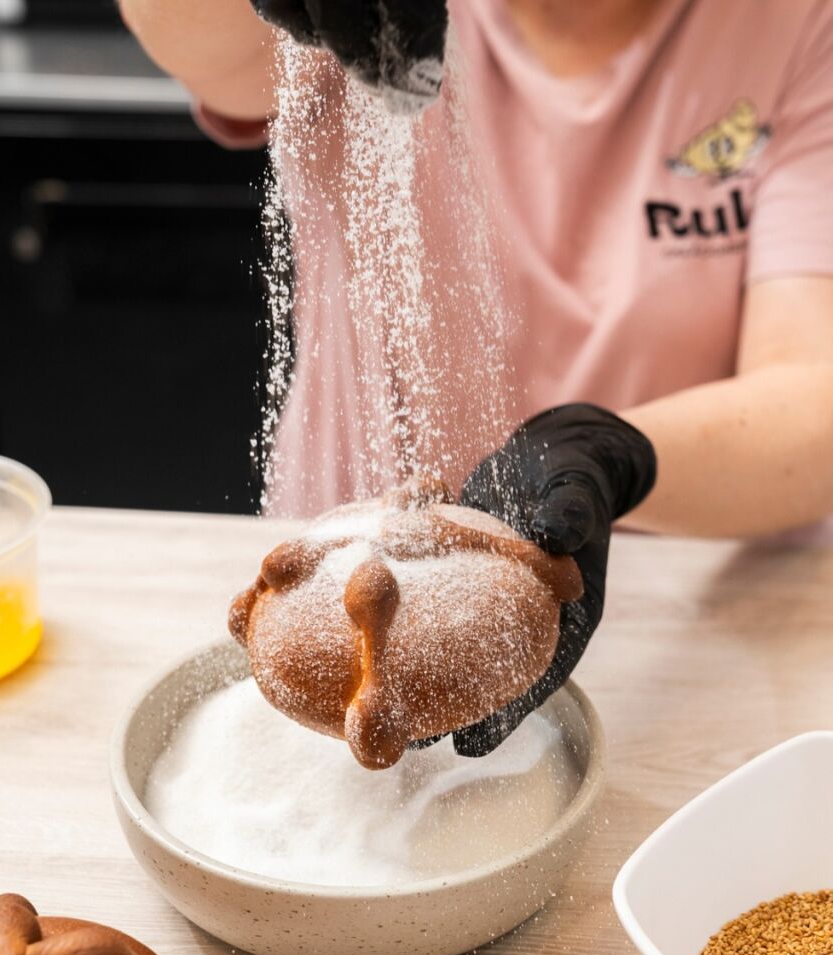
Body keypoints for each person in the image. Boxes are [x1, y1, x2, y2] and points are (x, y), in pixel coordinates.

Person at [120, 0, 833, 753]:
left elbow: (812, 394)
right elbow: (192, 38)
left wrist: (609, 452)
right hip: (327, 587)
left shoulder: (798, 26)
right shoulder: (375, 15)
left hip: (679, 628)